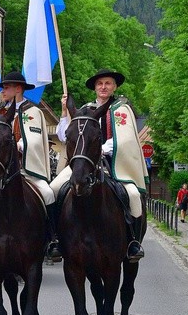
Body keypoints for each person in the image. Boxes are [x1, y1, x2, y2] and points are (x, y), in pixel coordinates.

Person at [50, 69, 149, 263]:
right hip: (84, 162)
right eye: (99, 84)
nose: (103, 87)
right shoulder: (86, 109)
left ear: (115, 87)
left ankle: (133, 242)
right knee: (53, 189)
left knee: (134, 195)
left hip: (115, 163)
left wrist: (100, 147)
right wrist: (64, 112)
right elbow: (65, 136)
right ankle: (54, 239)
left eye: (108, 83)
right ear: (95, 88)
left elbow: (126, 138)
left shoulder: (121, 109)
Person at [0, 72, 59, 261]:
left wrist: (15, 144)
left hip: (25, 168)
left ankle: (52, 239)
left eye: (7, 87)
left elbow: (33, 140)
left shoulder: (32, 112)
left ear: (18, 89)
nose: (3, 91)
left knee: (49, 193)